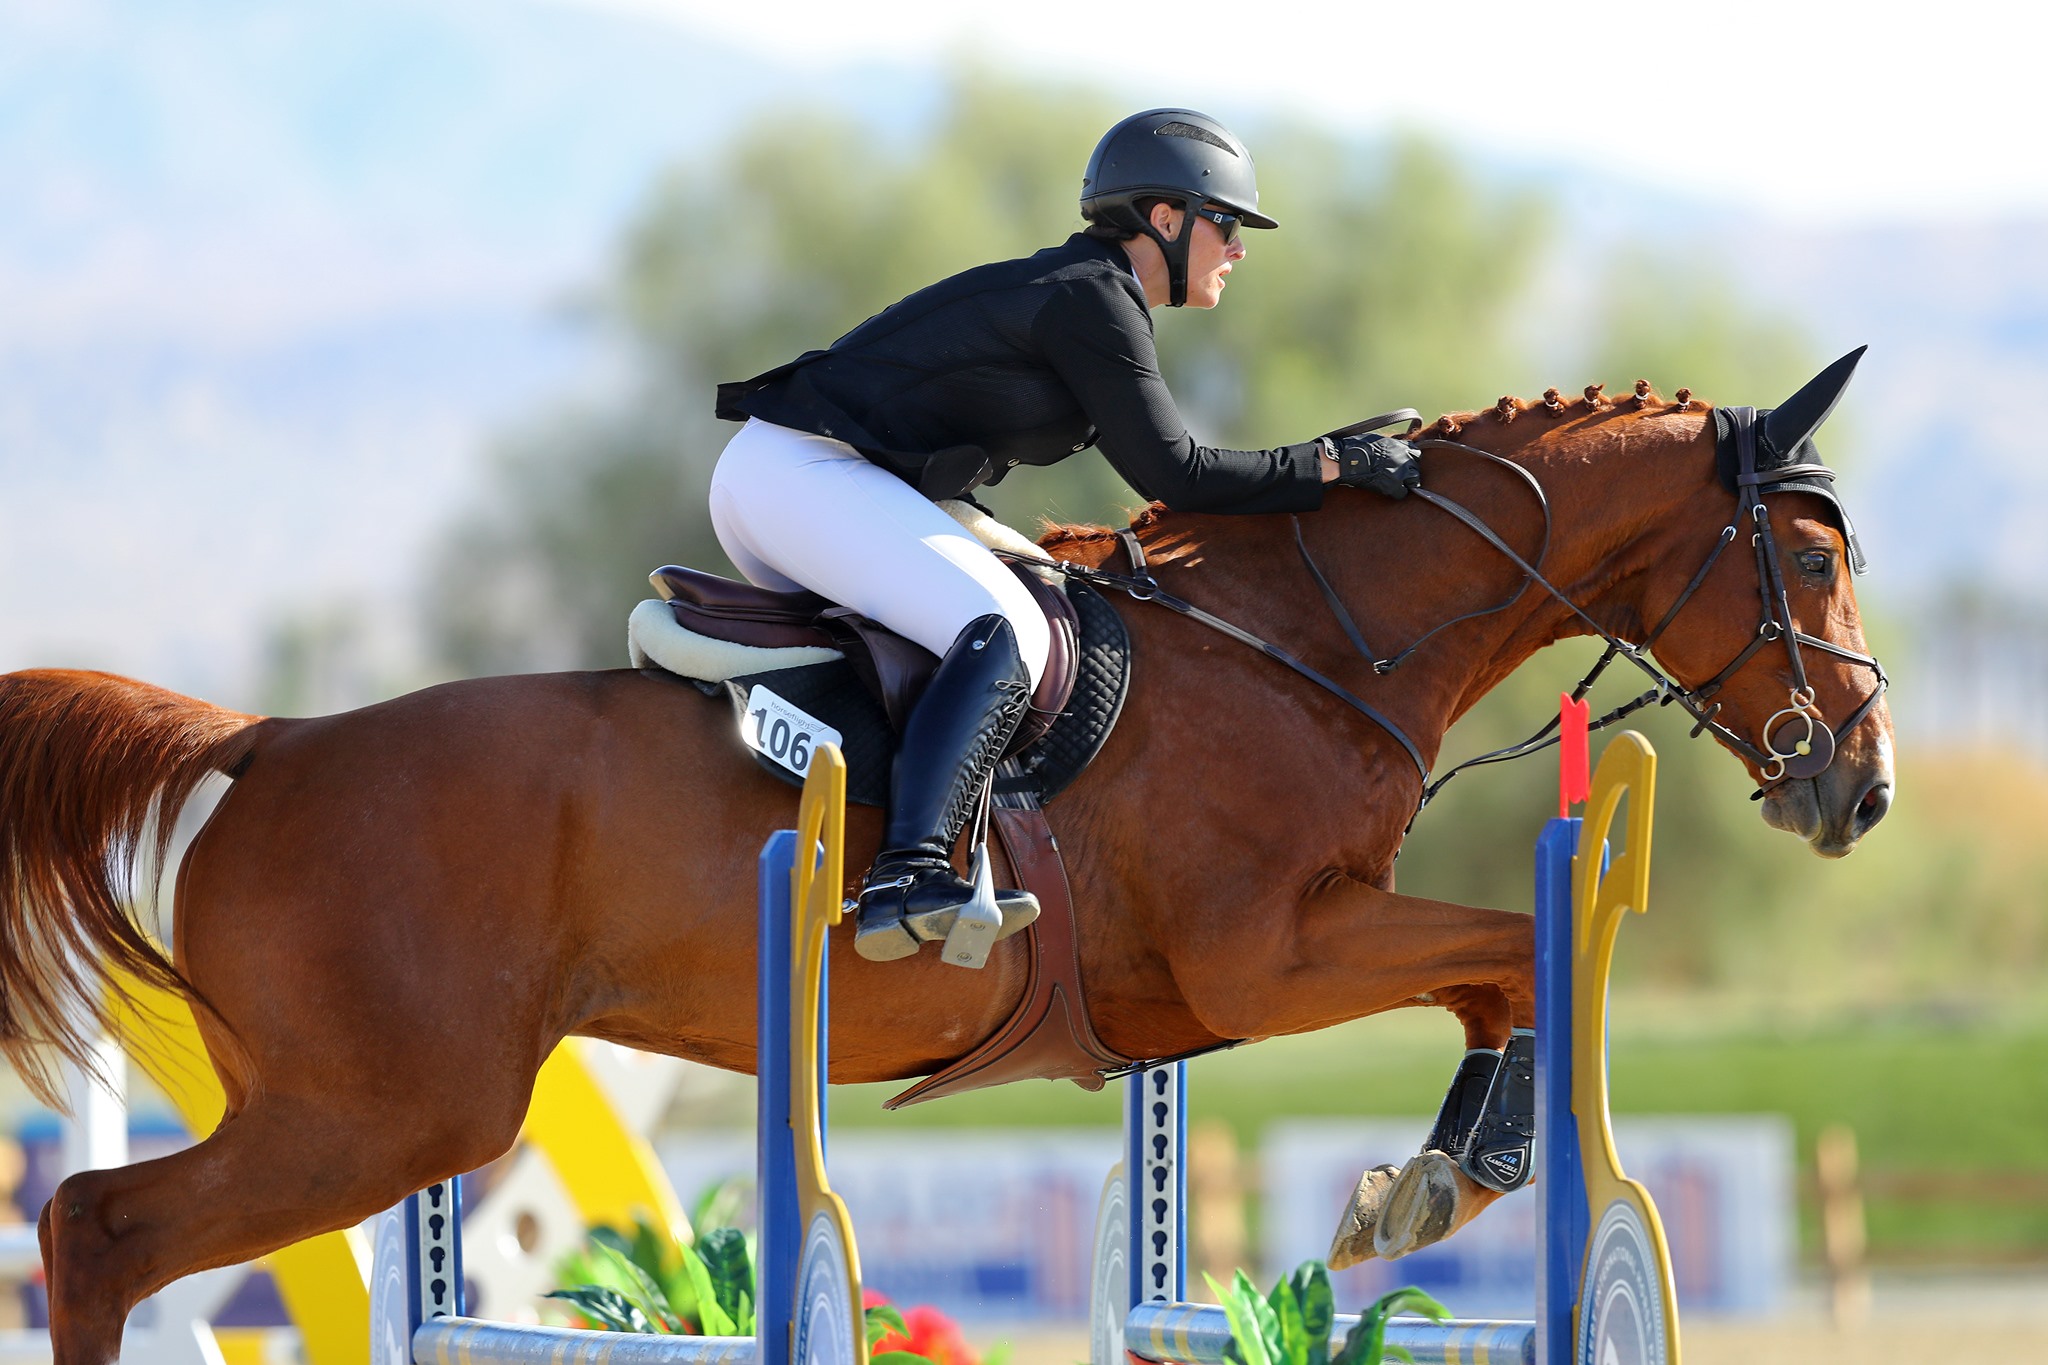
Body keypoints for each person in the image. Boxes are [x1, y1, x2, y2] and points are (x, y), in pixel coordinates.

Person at [711, 108, 1420, 963]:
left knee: (1023, 604)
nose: (1238, 248)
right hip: (802, 475)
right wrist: (1333, 464)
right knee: (1004, 630)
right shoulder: (1093, 297)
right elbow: (1180, 475)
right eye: (1227, 224)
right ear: (1167, 219)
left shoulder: (1090, 292)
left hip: (798, 480)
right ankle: (907, 875)